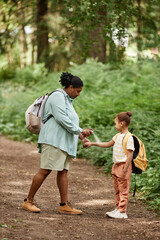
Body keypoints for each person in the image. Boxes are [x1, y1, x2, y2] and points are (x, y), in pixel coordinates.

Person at [22, 72, 93, 215]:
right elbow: (61, 118)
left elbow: (68, 122)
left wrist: (80, 135)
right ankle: (28, 201)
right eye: (78, 91)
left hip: (63, 142)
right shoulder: (57, 96)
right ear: (71, 87)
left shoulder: (67, 100)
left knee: (63, 171)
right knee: (45, 170)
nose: (79, 94)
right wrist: (80, 129)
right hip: (53, 140)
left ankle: (64, 205)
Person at [83, 111, 134, 219]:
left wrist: (125, 168)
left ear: (122, 123)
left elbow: (130, 154)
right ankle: (117, 208)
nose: (115, 125)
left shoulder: (129, 137)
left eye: (116, 123)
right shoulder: (117, 136)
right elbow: (107, 144)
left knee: (123, 190)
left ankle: (122, 211)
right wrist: (92, 143)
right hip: (116, 166)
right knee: (117, 189)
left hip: (123, 166)